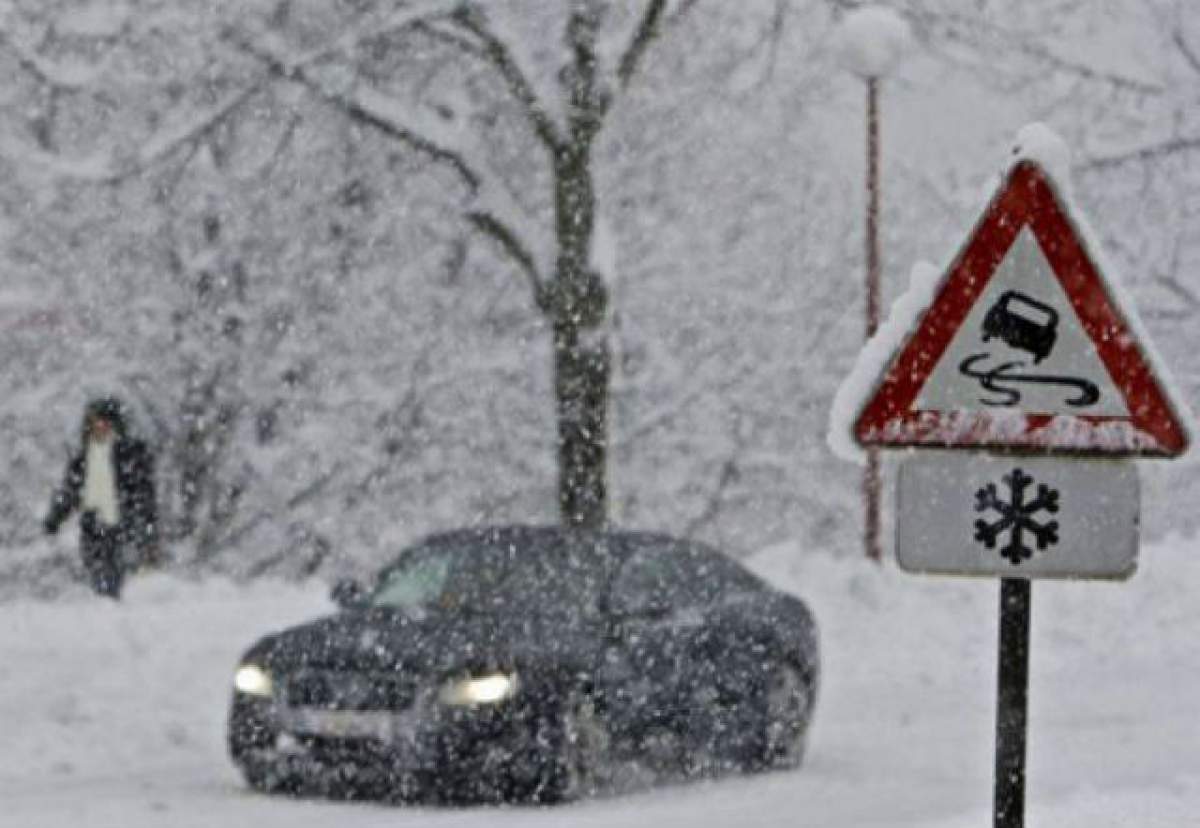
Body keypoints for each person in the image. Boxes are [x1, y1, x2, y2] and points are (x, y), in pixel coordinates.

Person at [43, 397, 159, 599]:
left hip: (122, 524)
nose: (99, 428)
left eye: (104, 423)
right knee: (97, 574)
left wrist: (148, 528)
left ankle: (116, 609)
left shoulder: (131, 455)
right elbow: (70, 491)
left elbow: (144, 493)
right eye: (94, 423)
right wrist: (54, 519)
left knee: (118, 575)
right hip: (92, 525)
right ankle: (105, 606)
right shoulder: (83, 459)